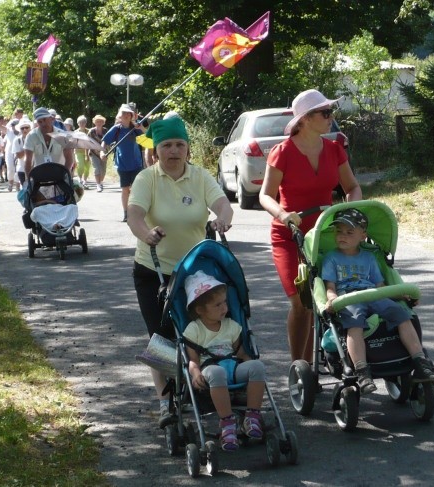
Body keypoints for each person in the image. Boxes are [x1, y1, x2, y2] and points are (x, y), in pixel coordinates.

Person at [127, 115, 233, 422]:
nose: (174, 151)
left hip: (193, 272)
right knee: (160, 337)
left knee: (199, 331)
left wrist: (223, 218)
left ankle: (201, 387)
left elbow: (222, 203)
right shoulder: (147, 178)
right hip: (153, 270)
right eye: (167, 145)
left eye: (180, 145)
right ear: (157, 150)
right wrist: (145, 233)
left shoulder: (199, 176)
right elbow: (134, 213)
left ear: (188, 148)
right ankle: (165, 402)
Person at [259, 88, 362, 362]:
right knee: (302, 303)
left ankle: (329, 355)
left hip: (326, 233)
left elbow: (351, 187)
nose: (331, 117)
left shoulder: (334, 149)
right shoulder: (282, 152)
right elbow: (265, 195)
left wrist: (349, 210)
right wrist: (282, 214)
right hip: (290, 236)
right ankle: (301, 367)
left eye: (331, 112)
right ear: (303, 119)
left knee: (331, 299)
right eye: (325, 112)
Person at [321, 208, 434, 391]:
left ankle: (420, 361)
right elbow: (330, 287)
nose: (342, 236)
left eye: (349, 232)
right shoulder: (331, 258)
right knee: (354, 323)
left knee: (400, 313)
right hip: (348, 299)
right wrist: (332, 300)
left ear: (363, 236)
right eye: (339, 231)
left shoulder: (369, 257)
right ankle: (361, 370)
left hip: (372, 294)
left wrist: (402, 296)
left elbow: (381, 287)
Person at [183, 270, 266, 451]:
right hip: (209, 370)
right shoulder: (194, 329)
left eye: (225, 303)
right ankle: (227, 423)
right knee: (216, 371)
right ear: (200, 310)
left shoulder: (231, 326)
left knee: (257, 367)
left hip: (232, 366)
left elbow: (241, 353)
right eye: (217, 305)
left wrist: (248, 361)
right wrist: (195, 373)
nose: (224, 308)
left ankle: (251, 417)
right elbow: (193, 360)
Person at [102, 104, 144, 221]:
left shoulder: (135, 128)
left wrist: (140, 128)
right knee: (125, 189)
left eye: (128, 113)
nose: (126, 115)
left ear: (131, 115)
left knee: (136, 189)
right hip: (122, 164)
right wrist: (102, 153)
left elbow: (147, 138)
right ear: (120, 115)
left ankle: (136, 213)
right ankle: (126, 213)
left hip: (136, 163)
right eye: (124, 113)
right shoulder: (117, 129)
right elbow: (105, 141)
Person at [24, 107, 74, 179]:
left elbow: (69, 158)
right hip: (39, 178)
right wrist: (29, 179)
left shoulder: (62, 135)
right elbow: (28, 159)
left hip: (59, 176)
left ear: (51, 119)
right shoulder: (31, 136)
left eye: (44, 119)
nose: (43, 124)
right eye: (40, 122)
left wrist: (64, 175)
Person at [87, 114, 108, 192]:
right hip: (93, 153)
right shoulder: (91, 131)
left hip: (104, 153)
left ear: (103, 122)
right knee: (97, 169)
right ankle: (98, 185)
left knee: (103, 170)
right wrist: (86, 154)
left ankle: (101, 182)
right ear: (95, 122)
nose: (99, 123)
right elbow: (87, 142)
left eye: (101, 121)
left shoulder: (106, 130)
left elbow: (109, 140)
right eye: (97, 121)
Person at [12, 117, 32, 188]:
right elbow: (19, 155)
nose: (25, 130)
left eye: (26, 127)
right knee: (25, 188)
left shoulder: (35, 139)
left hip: (34, 168)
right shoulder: (17, 140)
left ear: (30, 128)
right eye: (22, 128)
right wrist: (28, 148)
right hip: (21, 169)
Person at [74, 115, 90, 188]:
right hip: (78, 151)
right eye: (80, 122)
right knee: (80, 165)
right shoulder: (75, 132)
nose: (82, 124)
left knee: (87, 167)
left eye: (84, 122)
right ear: (78, 123)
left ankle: (85, 181)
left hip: (88, 151)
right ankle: (80, 178)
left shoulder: (89, 131)